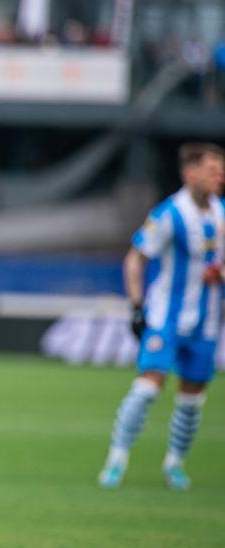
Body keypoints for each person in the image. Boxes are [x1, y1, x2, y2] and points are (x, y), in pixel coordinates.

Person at [98, 143, 224, 490]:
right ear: (190, 174)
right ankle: (116, 460)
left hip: (207, 322)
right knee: (147, 389)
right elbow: (136, 258)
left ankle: (175, 465)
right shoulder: (170, 214)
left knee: (192, 399)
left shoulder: (221, 214)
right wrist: (137, 306)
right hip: (165, 318)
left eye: (221, 171)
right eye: (212, 170)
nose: (219, 177)